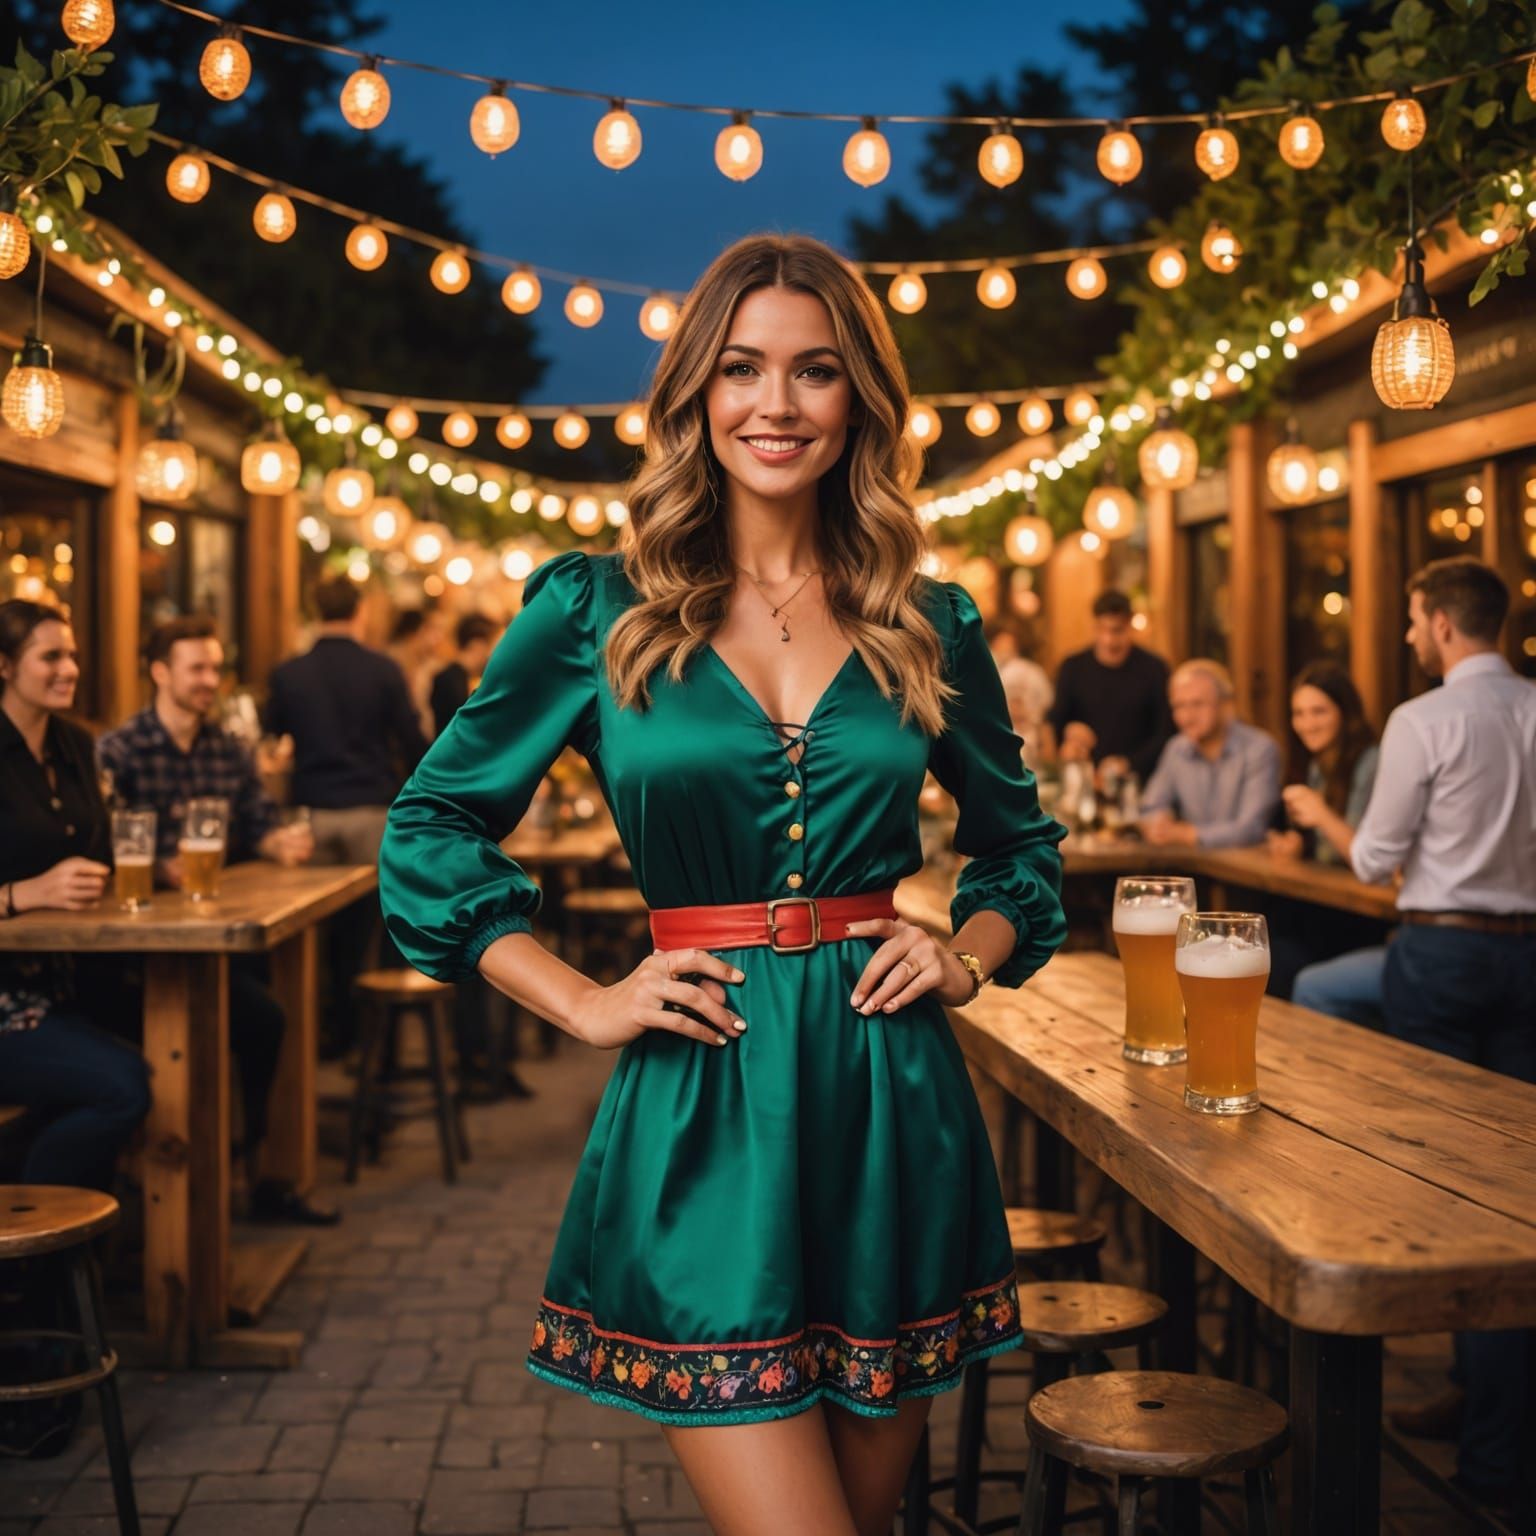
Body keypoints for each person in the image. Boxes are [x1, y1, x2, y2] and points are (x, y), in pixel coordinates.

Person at [379, 234, 1067, 1536]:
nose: (776, 404)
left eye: (815, 372)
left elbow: (1022, 850)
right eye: (743, 369)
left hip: (890, 1103)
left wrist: (968, 952)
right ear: (696, 391)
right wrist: (579, 1001)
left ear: (858, 397)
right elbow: (431, 829)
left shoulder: (929, 617)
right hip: (707, 1094)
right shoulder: (593, 609)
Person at [1349, 557, 1536, 1512]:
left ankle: (1486, 1439)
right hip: (1528, 957)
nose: (1412, 636)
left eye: (1416, 621)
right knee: (1518, 1200)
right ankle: (1493, 1428)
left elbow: (1375, 854)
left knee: (1445, 1188)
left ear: (1440, 623)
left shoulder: (1422, 720)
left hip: (1443, 951)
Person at [98, 617, 336, 1226]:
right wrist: (158, 869)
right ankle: (191, 1177)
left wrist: (279, 842)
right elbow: (102, 846)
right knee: (252, 1019)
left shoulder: (226, 751)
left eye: (214, 668)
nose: (209, 681)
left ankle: (249, 1163)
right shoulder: (120, 751)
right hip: (129, 957)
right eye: (196, 669)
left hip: (217, 939)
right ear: (159, 672)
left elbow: (256, 822)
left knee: (267, 1018)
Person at [0, 599, 151, 1191]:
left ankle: (120, 1246)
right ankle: (35, 1255)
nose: (69, 669)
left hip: (75, 979)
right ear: (5, 666)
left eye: (73, 656)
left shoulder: (76, 744)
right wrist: (24, 893)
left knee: (223, 1030)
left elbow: (103, 851)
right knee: (123, 1087)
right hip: (9, 1003)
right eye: (51, 656)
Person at [267, 577, 430, 1051]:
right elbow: (413, 743)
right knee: (378, 932)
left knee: (316, 938)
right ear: (359, 612)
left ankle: (325, 1036)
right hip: (370, 813)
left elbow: (271, 736)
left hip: (311, 817)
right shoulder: (381, 670)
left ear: (315, 611)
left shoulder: (289, 673)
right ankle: (374, 1044)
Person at [1263, 662, 1386, 998]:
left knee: (1274, 956)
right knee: (1256, 939)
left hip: (1361, 913)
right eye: (1299, 713)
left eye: (1318, 712)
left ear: (1345, 713)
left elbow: (1368, 856)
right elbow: (1326, 849)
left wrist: (1320, 814)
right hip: (1328, 905)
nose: (1307, 724)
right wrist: (1298, 846)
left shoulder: (1371, 761)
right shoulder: (1319, 765)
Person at [1139, 659, 1281, 848]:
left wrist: (1187, 834)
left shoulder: (1260, 749)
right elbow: (1150, 806)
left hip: (1247, 871)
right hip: (1194, 867)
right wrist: (1159, 822)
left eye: (1197, 704)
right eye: (1179, 706)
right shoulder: (1176, 748)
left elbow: (1251, 828)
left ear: (1226, 705)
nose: (1187, 716)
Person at [1047, 590, 1172, 784]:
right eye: (1102, 629)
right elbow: (1056, 722)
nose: (1108, 640)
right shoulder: (1073, 667)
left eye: (1117, 630)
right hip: (1084, 778)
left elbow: (1165, 732)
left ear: (1130, 626)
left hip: (1140, 780)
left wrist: (1129, 763)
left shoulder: (1154, 669)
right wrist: (1068, 738)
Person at [986, 621, 1054, 767]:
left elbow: (1045, 712)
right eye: (1000, 644)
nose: (1005, 649)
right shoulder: (987, 674)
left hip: (1031, 741)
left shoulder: (1033, 672)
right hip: (998, 742)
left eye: (1009, 644)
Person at [430, 613, 502, 737]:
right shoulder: (450, 680)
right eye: (490, 647)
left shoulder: (455, 677)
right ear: (477, 645)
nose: (491, 655)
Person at [388, 607, 447, 742]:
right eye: (430, 630)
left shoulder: (428, 662)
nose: (437, 637)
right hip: (406, 730)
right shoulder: (397, 658)